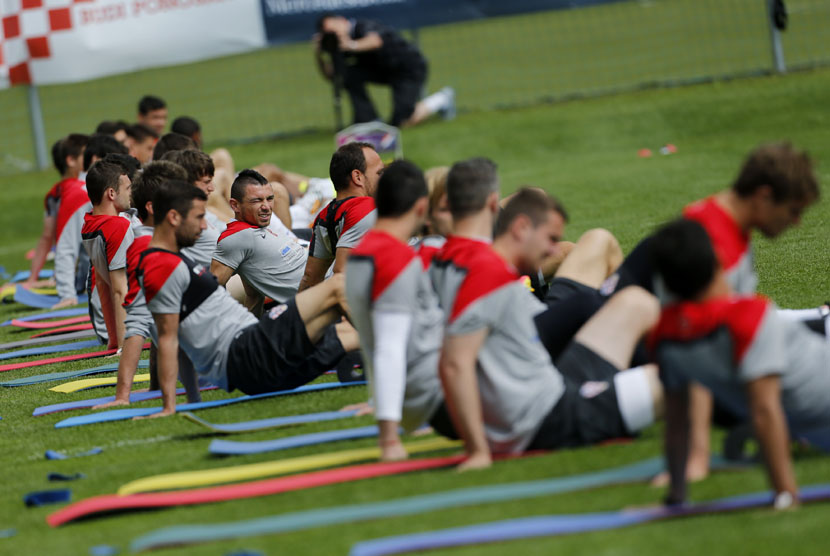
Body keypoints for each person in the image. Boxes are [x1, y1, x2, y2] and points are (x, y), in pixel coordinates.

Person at [430, 159, 663, 470]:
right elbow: (455, 363)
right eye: (551, 240)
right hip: (554, 416)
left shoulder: (453, 259)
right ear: (491, 204)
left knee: (637, 302)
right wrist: (478, 451)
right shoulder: (480, 270)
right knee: (680, 369)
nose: (555, 250)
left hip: (551, 386)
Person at [649, 219, 830, 509]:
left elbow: (677, 422)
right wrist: (785, 494)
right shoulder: (748, 317)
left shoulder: (665, 336)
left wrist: (676, 495)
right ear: (718, 263)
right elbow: (764, 410)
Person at [137, 181, 359, 417]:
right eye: (199, 217)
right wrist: (169, 406)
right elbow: (168, 337)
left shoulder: (172, 259)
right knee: (338, 286)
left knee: (347, 333)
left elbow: (179, 338)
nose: (204, 226)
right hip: (247, 351)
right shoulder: (159, 265)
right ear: (173, 217)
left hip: (255, 361)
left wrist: (193, 400)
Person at [346, 160, 446, 461]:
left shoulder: (361, 255)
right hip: (437, 395)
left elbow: (373, 343)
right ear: (421, 207)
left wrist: (380, 401)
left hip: (419, 400)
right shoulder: (394, 257)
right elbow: (389, 348)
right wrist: (389, 439)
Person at [92, 161, 197, 410]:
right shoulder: (148, 249)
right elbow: (139, 316)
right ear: (154, 207)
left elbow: (152, 319)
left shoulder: (163, 240)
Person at [314, 14, 455, 127]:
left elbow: (376, 41)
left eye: (333, 30)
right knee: (348, 75)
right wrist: (319, 55)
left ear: (342, 21)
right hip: (383, 71)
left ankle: (443, 98)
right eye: (328, 33)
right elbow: (332, 76)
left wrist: (351, 45)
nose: (333, 34)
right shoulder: (339, 46)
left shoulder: (363, 26)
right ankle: (369, 120)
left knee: (403, 121)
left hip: (408, 68)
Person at [211, 170, 308, 315]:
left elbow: (254, 295)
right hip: (320, 295)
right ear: (235, 205)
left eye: (269, 199)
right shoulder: (236, 237)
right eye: (257, 200)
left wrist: (253, 327)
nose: (267, 207)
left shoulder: (258, 228)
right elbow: (210, 290)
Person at [298, 142, 383, 291]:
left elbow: (310, 279)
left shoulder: (325, 215)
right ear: (358, 177)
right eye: (379, 173)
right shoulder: (366, 207)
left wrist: (301, 313)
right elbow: (342, 274)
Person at [81, 160, 134, 350]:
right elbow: (120, 289)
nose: (131, 193)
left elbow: (103, 285)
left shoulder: (90, 224)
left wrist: (113, 340)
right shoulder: (117, 226)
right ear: (111, 193)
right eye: (127, 188)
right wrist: (123, 346)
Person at [25, 134, 88, 290]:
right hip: (86, 273)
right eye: (86, 155)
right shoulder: (84, 189)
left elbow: (47, 237)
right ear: (71, 160)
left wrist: (32, 279)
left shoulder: (55, 193)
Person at [162, 149, 226, 268]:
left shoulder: (198, 210)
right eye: (206, 182)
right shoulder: (182, 219)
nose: (212, 188)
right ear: (188, 183)